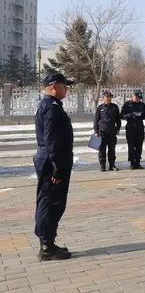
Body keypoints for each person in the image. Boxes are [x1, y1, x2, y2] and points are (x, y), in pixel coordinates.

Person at [34, 73, 75, 260]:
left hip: (52, 160)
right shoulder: (51, 108)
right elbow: (51, 139)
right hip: (52, 162)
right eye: (64, 85)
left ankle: (49, 241)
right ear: (53, 87)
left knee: (53, 202)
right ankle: (46, 246)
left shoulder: (52, 105)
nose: (66, 88)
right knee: (50, 202)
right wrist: (57, 167)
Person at [93, 90, 121, 172]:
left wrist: (118, 129)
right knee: (102, 150)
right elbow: (96, 120)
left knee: (112, 149)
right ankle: (102, 165)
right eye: (107, 97)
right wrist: (96, 131)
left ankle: (112, 165)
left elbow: (118, 120)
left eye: (110, 97)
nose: (108, 98)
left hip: (112, 132)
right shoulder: (100, 108)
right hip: (102, 132)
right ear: (103, 98)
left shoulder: (115, 107)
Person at [120, 89, 145, 169]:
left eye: (139, 98)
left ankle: (138, 162)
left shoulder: (142, 104)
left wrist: (141, 115)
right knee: (131, 146)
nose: (138, 99)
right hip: (130, 127)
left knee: (139, 145)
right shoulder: (127, 104)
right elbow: (121, 115)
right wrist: (130, 115)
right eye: (137, 97)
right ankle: (132, 162)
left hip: (140, 127)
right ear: (133, 96)